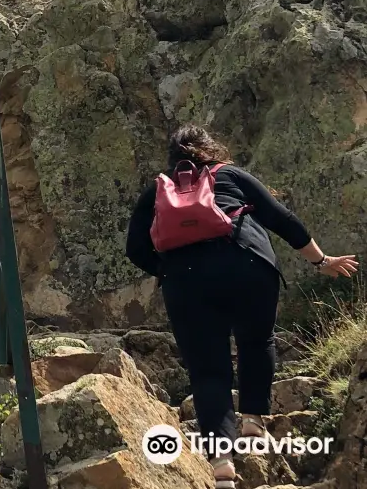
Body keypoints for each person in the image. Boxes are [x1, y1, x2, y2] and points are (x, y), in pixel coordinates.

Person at [125, 125, 358, 488]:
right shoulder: (229, 175)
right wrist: (320, 260)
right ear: (209, 150)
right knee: (256, 340)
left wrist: (169, 271)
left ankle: (221, 463)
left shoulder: (157, 190)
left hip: (186, 283)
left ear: (172, 160)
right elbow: (281, 218)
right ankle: (252, 421)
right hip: (247, 264)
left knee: (207, 371)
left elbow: (135, 249)